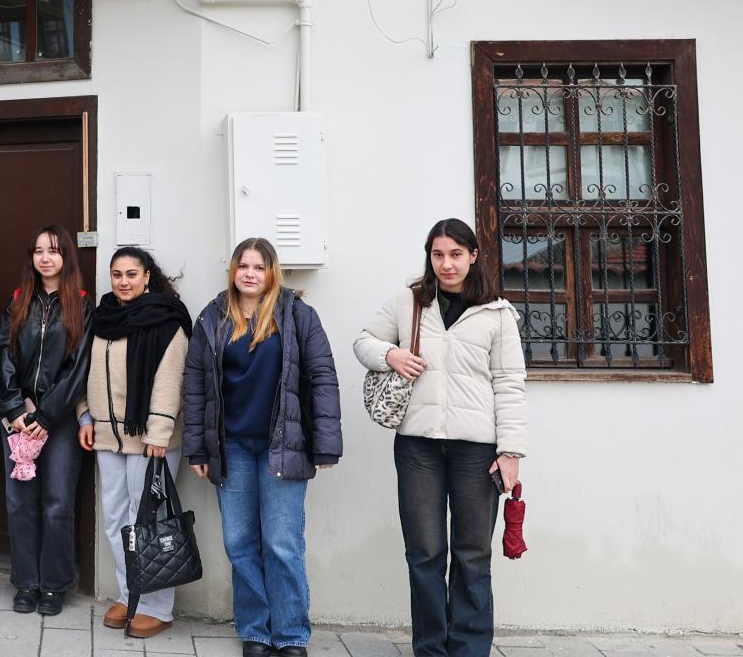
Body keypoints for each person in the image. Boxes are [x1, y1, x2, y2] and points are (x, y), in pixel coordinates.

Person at [352, 219, 528, 657]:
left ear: (473, 256)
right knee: (425, 552)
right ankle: (431, 649)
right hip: (418, 446)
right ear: (429, 257)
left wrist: (510, 451)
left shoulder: (497, 313)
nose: (447, 264)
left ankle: (469, 649)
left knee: (472, 554)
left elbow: (510, 384)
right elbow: (363, 342)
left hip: (477, 451)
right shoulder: (408, 302)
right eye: (438, 255)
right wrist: (391, 354)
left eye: (455, 254)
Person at [183, 238, 343, 657]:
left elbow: (322, 376)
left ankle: (290, 634)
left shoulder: (297, 315)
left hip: (282, 445)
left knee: (281, 544)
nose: (250, 274)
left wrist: (326, 445)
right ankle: (255, 631)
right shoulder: (212, 317)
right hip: (231, 446)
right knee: (239, 543)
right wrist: (198, 448)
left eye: (259, 267)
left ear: (272, 272)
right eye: (244, 266)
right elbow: (195, 387)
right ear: (233, 271)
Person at [78, 246, 191, 639]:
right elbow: (84, 371)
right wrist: (84, 415)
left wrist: (159, 434)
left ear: (146, 277)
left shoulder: (166, 320)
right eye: (117, 274)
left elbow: (170, 380)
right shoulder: (102, 318)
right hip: (107, 436)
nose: (123, 282)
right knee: (115, 518)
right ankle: (130, 595)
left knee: (149, 522)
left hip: (149, 439)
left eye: (131, 274)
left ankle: (157, 607)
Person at [0, 225, 93, 617]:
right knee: (19, 502)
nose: (45, 258)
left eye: (53, 251)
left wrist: (47, 415)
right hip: (18, 419)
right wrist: (14, 408)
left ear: (66, 256)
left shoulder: (81, 305)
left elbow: (78, 367)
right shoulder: (18, 300)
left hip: (59, 420)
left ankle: (54, 584)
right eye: (38, 251)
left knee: (57, 503)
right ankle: (26, 582)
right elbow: (3, 354)